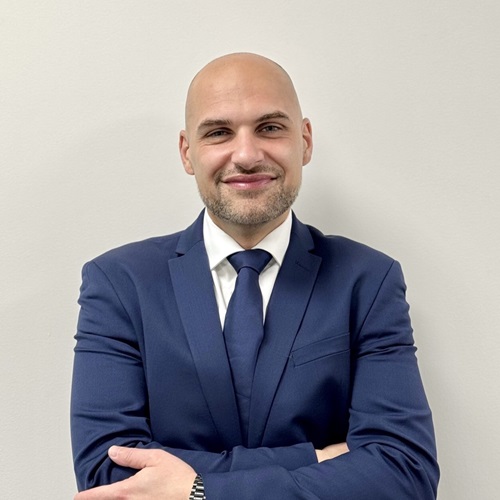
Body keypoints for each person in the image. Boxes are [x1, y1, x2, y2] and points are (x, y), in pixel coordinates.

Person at [71, 52, 439, 499]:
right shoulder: (120, 284)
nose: (246, 155)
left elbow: (405, 472)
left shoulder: (368, 280)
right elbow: (106, 473)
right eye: (219, 132)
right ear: (188, 152)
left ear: (304, 141)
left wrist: (199, 492)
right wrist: (317, 458)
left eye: (269, 128)